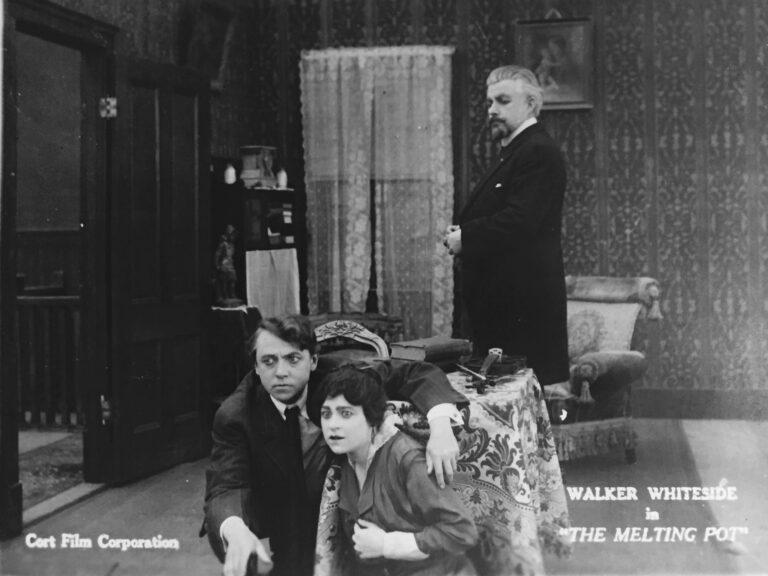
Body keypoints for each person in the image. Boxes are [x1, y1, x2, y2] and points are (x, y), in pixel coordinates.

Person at [203, 314, 467, 576]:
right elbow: (225, 485)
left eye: (293, 359)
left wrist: (441, 427)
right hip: (276, 505)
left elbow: (416, 372)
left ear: (313, 360)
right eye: (268, 361)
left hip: (338, 504)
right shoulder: (235, 414)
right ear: (256, 367)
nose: (281, 372)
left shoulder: (338, 377)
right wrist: (235, 530)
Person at [443, 65, 569, 389]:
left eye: (502, 101)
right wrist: (464, 233)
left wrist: (467, 237)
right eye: (489, 102)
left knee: (516, 403)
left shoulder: (538, 151)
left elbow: (521, 221)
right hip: (504, 306)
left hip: (521, 309)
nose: (492, 110)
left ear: (531, 104)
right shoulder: (516, 151)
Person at [320, 366, 478, 576]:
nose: (332, 425)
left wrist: (388, 544)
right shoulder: (345, 460)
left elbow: (462, 532)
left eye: (346, 414)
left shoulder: (406, 458)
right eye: (326, 414)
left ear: (372, 418)